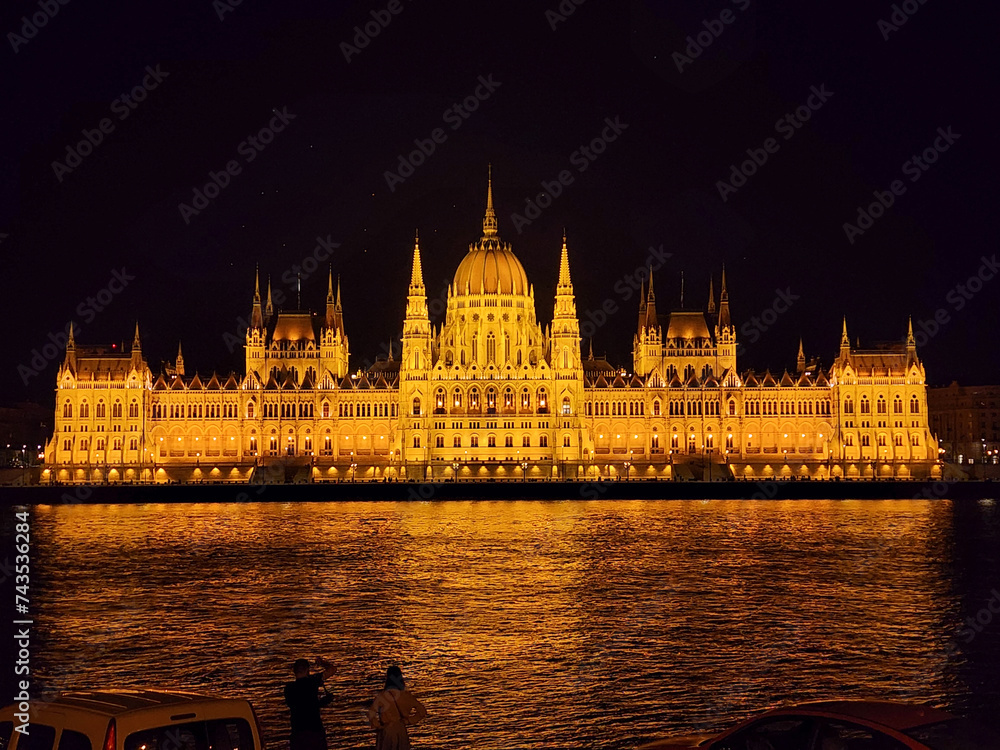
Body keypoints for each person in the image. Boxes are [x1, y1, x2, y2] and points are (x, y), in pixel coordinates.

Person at [366, 665, 426, 750]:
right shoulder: (406, 696)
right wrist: (409, 720)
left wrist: (378, 725)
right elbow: (422, 711)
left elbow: (371, 713)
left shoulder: (383, 696)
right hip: (401, 729)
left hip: (387, 730)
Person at [284, 656, 336, 750]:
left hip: (297, 732)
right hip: (315, 730)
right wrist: (322, 663)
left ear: (294, 671)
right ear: (307, 669)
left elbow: (300, 705)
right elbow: (332, 669)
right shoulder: (313, 681)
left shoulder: (288, 688)